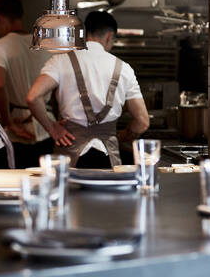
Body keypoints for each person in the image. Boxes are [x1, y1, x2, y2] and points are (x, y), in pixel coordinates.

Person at [26, 11, 149, 168]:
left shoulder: (60, 60)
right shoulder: (125, 69)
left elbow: (33, 97)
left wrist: (52, 128)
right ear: (109, 36)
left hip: (69, 153)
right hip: (107, 156)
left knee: (66, 192)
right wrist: (121, 136)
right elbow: (143, 122)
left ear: (84, 33)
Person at [0, 0, 54, 168]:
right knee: (45, 183)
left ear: (0, 18)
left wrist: (8, 122)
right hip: (47, 125)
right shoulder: (45, 45)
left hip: (18, 128)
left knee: (18, 184)